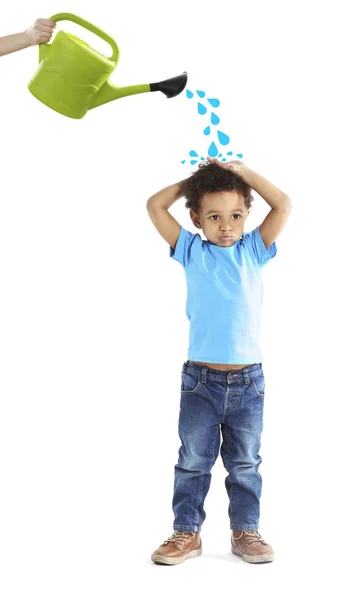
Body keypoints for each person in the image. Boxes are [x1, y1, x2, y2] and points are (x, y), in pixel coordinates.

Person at [146, 156, 292, 565]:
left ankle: (245, 532)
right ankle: (186, 533)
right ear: (196, 218)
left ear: (247, 216)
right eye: (214, 216)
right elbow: (155, 206)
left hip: (249, 382)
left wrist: (244, 174)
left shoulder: (254, 250)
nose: (226, 225)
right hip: (200, 382)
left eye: (235, 215)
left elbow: (282, 204)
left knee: (245, 463)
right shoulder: (191, 250)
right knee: (193, 462)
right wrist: (193, 181)